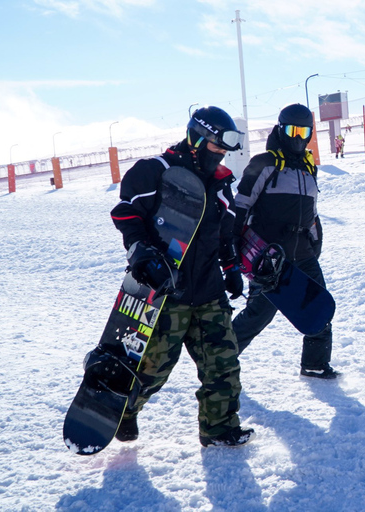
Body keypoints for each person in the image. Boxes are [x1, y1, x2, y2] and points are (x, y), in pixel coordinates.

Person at [108, 105, 253, 447]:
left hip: (208, 290)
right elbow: (126, 213)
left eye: (225, 150)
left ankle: (219, 428)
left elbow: (224, 235)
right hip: (165, 292)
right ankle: (121, 411)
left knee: (224, 364)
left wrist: (231, 269)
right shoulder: (155, 171)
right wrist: (140, 250)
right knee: (154, 369)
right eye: (217, 147)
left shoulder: (220, 184)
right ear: (197, 137)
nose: (221, 156)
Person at [232, 103, 338, 379]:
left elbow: (311, 211)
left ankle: (315, 364)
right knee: (258, 315)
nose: (297, 137)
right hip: (270, 258)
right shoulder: (264, 163)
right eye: (291, 130)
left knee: (319, 307)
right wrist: (231, 249)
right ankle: (220, 361)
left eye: (304, 131)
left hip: (303, 253)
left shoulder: (308, 167)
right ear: (280, 129)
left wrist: (315, 240)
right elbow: (240, 208)